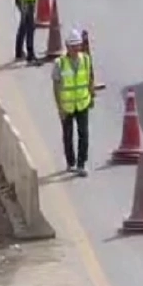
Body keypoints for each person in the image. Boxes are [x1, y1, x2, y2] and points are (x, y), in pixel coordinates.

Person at [52, 30, 96, 176]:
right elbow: (56, 87)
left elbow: (90, 79)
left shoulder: (85, 59)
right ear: (67, 47)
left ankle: (81, 163)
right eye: (73, 46)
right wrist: (59, 108)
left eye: (78, 46)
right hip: (67, 106)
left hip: (83, 103)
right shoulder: (60, 63)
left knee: (84, 133)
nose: (76, 49)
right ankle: (70, 162)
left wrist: (92, 96)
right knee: (68, 135)